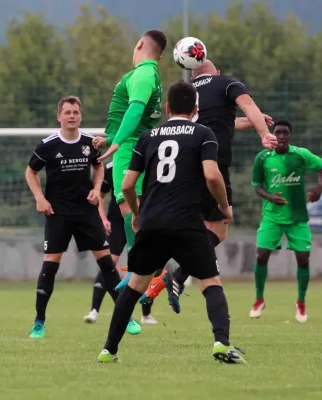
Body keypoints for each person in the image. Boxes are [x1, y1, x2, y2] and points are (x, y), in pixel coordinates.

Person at [97, 81, 246, 364]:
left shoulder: (148, 136)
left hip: (152, 222)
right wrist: (225, 207)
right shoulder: (204, 133)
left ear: (167, 108)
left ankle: (109, 350)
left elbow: (128, 184)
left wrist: (138, 214)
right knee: (210, 282)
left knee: (135, 286)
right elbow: (213, 177)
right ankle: (221, 343)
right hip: (187, 223)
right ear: (196, 109)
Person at [147, 60, 278, 311]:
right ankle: (177, 275)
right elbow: (247, 104)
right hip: (212, 166)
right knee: (218, 231)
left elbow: (224, 124)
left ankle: (172, 276)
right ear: (216, 72)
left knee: (197, 229)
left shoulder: (189, 91)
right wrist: (264, 133)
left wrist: (252, 122)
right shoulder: (226, 82)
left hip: (184, 167)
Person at [25, 96, 141, 339]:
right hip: (58, 213)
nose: (71, 116)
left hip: (86, 212)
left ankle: (126, 316)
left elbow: (98, 166)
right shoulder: (48, 144)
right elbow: (30, 172)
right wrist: (40, 198)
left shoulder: (90, 142)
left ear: (80, 115)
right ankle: (39, 321)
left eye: (75, 112)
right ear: (59, 116)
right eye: (67, 112)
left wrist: (97, 190)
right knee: (50, 266)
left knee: (107, 265)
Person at [92, 30, 168, 292]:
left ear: (139, 44)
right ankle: (148, 266)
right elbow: (131, 112)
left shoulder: (144, 74)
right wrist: (111, 136)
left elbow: (136, 109)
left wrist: (117, 142)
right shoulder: (148, 74)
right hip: (132, 142)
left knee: (127, 204)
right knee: (137, 208)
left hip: (130, 146)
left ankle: (142, 269)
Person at [249, 120, 322, 323]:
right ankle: (259, 300)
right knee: (261, 255)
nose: (282, 136)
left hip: (297, 217)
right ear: (273, 136)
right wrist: (269, 196)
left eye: (285, 133)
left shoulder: (300, 154)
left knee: (303, 258)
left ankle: (300, 303)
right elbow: (257, 186)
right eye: (278, 133)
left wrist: (319, 186)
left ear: (290, 136)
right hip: (272, 216)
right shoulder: (263, 157)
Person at [83, 161, 158, 325]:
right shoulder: (111, 167)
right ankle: (94, 310)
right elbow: (100, 196)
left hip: (141, 222)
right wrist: (103, 219)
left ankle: (146, 314)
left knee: (149, 262)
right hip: (117, 224)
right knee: (110, 263)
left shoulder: (148, 163)